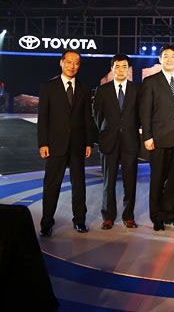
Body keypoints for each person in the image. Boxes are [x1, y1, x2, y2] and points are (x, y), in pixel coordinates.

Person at [38, 50, 94, 237]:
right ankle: (46, 222)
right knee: (51, 186)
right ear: (61, 63)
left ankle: (80, 221)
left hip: (78, 145)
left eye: (76, 62)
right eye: (69, 61)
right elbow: (43, 117)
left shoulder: (84, 88)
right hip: (55, 145)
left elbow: (87, 117)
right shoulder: (48, 87)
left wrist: (89, 142)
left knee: (79, 186)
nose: (72, 66)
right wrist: (43, 143)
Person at [140, 44, 174, 231]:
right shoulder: (151, 81)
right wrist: (147, 136)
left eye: (173, 56)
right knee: (157, 179)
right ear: (160, 59)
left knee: (173, 180)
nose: (169, 59)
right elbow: (145, 111)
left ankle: (170, 214)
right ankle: (157, 217)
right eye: (166, 56)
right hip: (159, 138)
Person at [93, 54, 141, 230]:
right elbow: (97, 116)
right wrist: (107, 130)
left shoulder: (137, 89)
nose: (121, 70)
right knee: (109, 181)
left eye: (124, 66)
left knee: (130, 181)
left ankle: (128, 216)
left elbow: (140, 115)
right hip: (109, 140)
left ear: (128, 69)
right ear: (112, 69)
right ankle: (108, 216)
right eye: (117, 66)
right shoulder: (102, 90)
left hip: (130, 141)